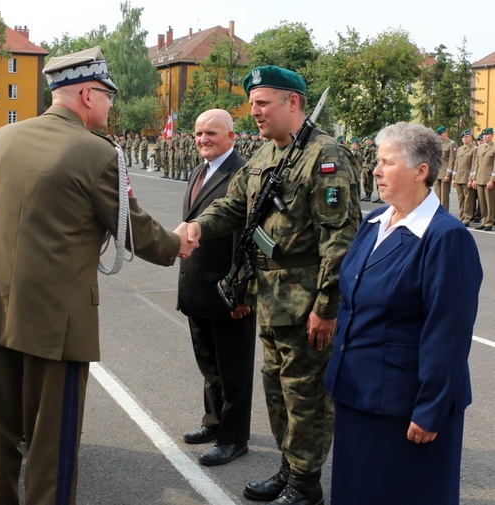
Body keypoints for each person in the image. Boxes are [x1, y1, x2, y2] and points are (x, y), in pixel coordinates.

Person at [0, 46, 193, 505]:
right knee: (53, 443)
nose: (110, 105)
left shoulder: (2, 139)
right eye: (107, 95)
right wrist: (177, 243)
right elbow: (135, 231)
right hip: (55, 321)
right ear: (87, 93)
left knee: (0, 433)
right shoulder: (97, 153)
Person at [184, 66, 361, 505]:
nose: (255, 112)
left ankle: (306, 485)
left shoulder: (325, 155)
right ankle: (289, 468)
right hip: (271, 298)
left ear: (293, 103)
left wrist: (327, 305)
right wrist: (197, 228)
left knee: (306, 397)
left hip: (307, 302)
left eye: (263, 103)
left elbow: (340, 238)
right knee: (278, 390)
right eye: (253, 103)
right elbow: (230, 205)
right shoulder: (265, 156)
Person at [324, 122, 482, 505]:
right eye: (377, 161)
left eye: (386, 162)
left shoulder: (445, 237)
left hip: (404, 409)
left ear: (420, 171)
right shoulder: (374, 222)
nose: (375, 170)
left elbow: (448, 333)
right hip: (357, 394)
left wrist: (431, 409)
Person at [178, 109, 257, 467]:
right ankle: (214, 422)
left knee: (234, 371)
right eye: (198, 133)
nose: (202, 139)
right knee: (210, 365)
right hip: (198, 287)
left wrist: (242, 294)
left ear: (231, 136)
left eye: (211, 133)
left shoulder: (243, 173)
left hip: (228, 291)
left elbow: (247, 237)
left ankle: (233, 438)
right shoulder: (200, 170)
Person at [472, 127, 495, 231]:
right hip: (480, 178)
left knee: (489, 202)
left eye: (487, 135)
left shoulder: (494, 148)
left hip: (488, 179)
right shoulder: (480, 148)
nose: (485, 137)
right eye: (484, 135)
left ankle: (489, 222)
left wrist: (492, 180)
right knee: (482, 202)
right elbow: (476, 164)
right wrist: (474, 178)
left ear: (492, 135)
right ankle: (484, 220)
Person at [454, 130, 477, 225]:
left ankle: (467, 218)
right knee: (461, 199)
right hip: (459, 177)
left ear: (471, 137)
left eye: (467, 137)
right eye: (463, 137)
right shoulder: (459, 149)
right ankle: (462, 216)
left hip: (467, 178)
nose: (465, 138)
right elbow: (456, 164)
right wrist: (454, 178)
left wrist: (471, 179)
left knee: (468, 200)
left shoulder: (474, 149)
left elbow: (474, 164)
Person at [435, 125, 456, 211]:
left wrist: (448, 174)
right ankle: (437, 212)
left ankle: (444, 213)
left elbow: (452, 160)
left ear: (446, 133)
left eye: (441, 134)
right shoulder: (438, 144)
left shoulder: (452, 144)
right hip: (438, 172)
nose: (440, 136)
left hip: (445, 173)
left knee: (444, 196)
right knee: (437, 196)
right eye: (438, 135)